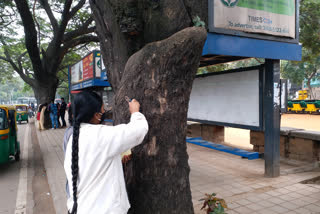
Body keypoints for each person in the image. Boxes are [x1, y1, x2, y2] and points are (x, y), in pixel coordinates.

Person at [64, 91, 148, 214]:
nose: (103, 113)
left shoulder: (73, 138)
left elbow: (93, 163)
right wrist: (135, 113)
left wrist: (115, 161)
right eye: (102, 110)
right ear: (96, 115)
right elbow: (138, 130)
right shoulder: (101, 135)